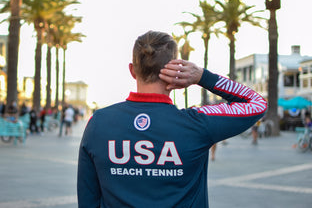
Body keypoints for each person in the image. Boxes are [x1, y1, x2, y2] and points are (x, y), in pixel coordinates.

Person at [77, 30, 267, 207]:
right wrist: (202, 76)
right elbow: (257, 103)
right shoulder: (196, 123)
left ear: (132, 70)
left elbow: (88, 199)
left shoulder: (98, 122)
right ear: (177, 69)